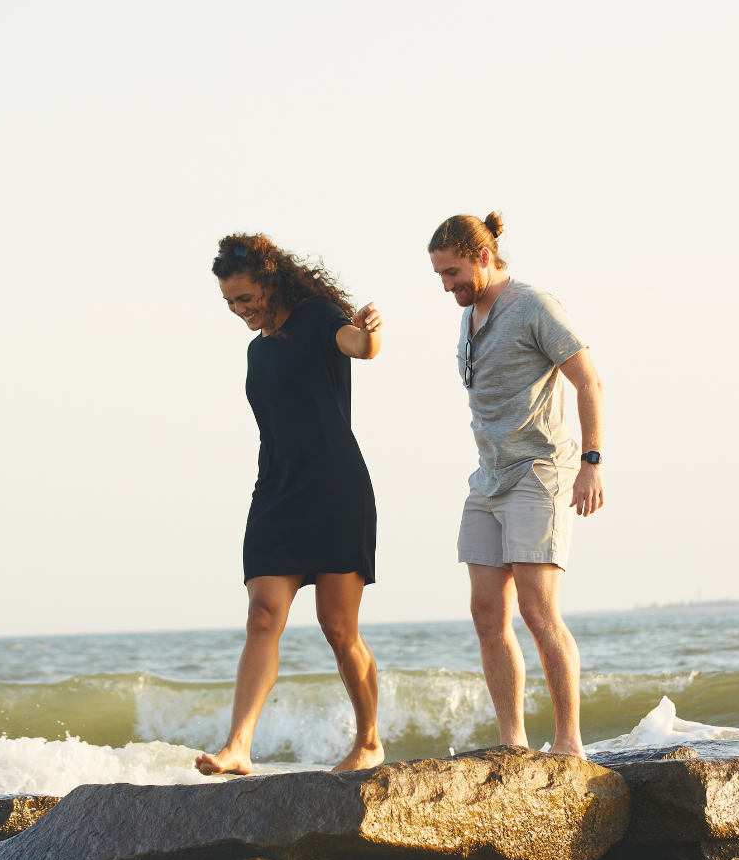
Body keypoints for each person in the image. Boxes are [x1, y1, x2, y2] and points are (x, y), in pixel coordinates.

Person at [195, 233, 385, 775]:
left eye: (246, 298)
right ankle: (238, 747)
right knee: (262, 615)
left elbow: (356, 346)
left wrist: (370, 335)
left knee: (338, 626)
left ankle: (369, 741)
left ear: (269, 281)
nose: (239, 310)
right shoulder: (257, 351)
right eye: (230, 302)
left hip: (335, 489)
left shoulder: (317, 315)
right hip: (276, 491)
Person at [429, 212, 604, 759]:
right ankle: (512, 741)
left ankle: (569, 742)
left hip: (539, 473)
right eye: (439, 275)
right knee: (487, 612)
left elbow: (588, 379)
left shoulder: (533, 305)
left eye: (453, 272)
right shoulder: (470, 316)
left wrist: (592, 463)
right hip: (488, 479)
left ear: (483, 257)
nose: (446, 285)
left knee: (537, 610)